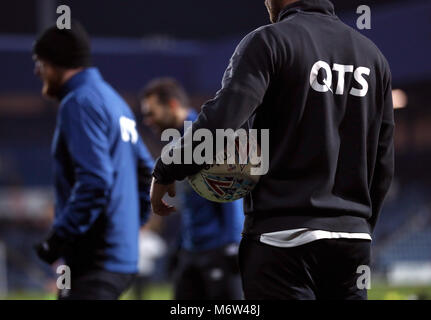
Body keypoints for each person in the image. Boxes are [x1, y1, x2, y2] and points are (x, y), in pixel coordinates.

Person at [150, 0, 394, 300]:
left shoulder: (269, 41)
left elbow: (221, 122)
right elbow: (383, 161)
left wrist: (166, 169)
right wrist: (359, 226)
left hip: (282, 239)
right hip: (351, 243)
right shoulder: (373, 56)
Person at [32, 21, 154, 300]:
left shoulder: (78, 102)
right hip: (116, 257)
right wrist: (128, 226)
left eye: (39, 62)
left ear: (55, 62)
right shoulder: (114, 101)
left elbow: (96, 181)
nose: (37, 71)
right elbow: (147, 172)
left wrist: (58, 237)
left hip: (93, 259)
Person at [141, 78, 244, 299]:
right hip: (193, 249)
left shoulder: (205, 137)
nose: (148, 121)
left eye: (151, 113)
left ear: (172, 105)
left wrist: (233, 245)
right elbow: (192, 204)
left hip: (218, 249)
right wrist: (179, 247)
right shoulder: (177, 143)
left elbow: (231, 192)